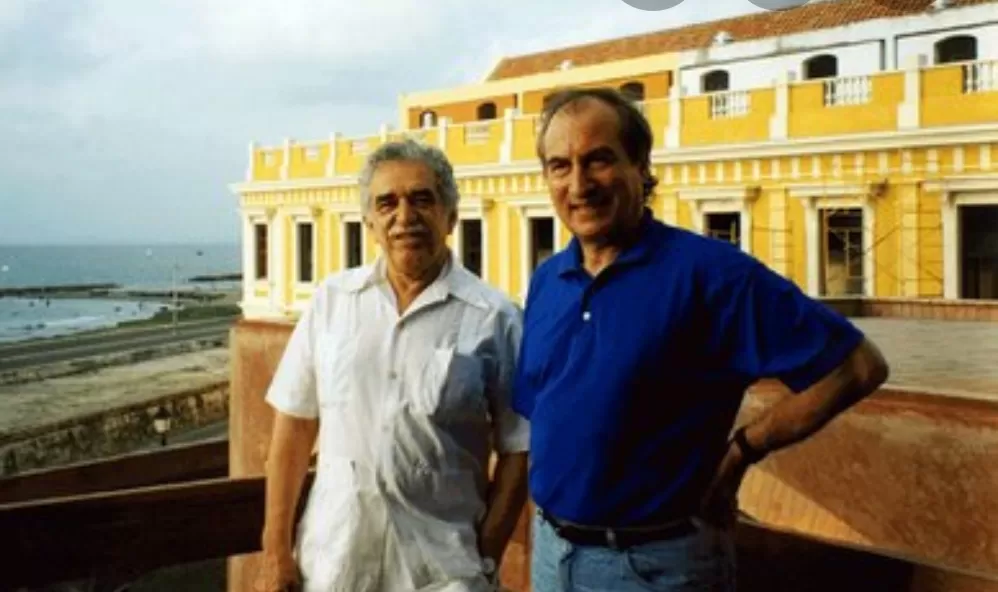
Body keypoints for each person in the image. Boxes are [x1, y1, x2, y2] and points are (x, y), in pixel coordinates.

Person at [512, 87, 890, 591]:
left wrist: (742, 451)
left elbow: (856, 367)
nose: (579, 184)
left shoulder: (710, 275)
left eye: (599, 160)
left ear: (641, 166)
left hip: (653, 568)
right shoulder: (548, 280)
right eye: (560, 166)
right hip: (552, 556)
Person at [255, 138, 530, 592]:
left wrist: (484, 559)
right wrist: (276, 550)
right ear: (369, 220)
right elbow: (294, 428)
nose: (405, 217)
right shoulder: (331, 302)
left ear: (451, 215)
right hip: (332, 567)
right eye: (387, 203)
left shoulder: (495, 317)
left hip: (443, 575)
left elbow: (519, 449)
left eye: (422, 199)